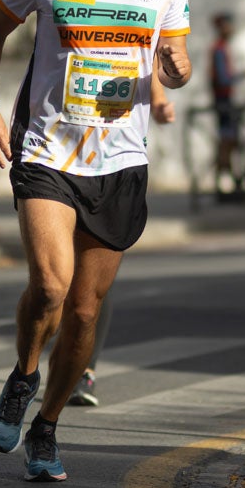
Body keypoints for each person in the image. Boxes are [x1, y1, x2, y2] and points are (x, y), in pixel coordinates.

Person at [0, 0, 192, 480]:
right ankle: (22, 377)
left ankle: (48, 425)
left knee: (86, 312)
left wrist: (175, 69)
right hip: (46, 151)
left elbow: (176, 57)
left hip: (120, 161)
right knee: (49, 286)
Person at [67, 75, 174, 408]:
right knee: (55, 279)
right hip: (59, 156)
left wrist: (158, 99)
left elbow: (150, 58)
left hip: (117, 162)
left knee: (93, 282)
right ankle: (37, 360)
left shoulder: (141, 23)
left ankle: (84, 368)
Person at [209, 11, 245, 202]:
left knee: (230, 142)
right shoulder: (219, 49)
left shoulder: (221, 48)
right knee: (227, 142)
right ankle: (227, 185)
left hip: (224, 100)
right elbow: (223, 78)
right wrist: (243, 75)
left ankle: (230, 183)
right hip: (223, 101)